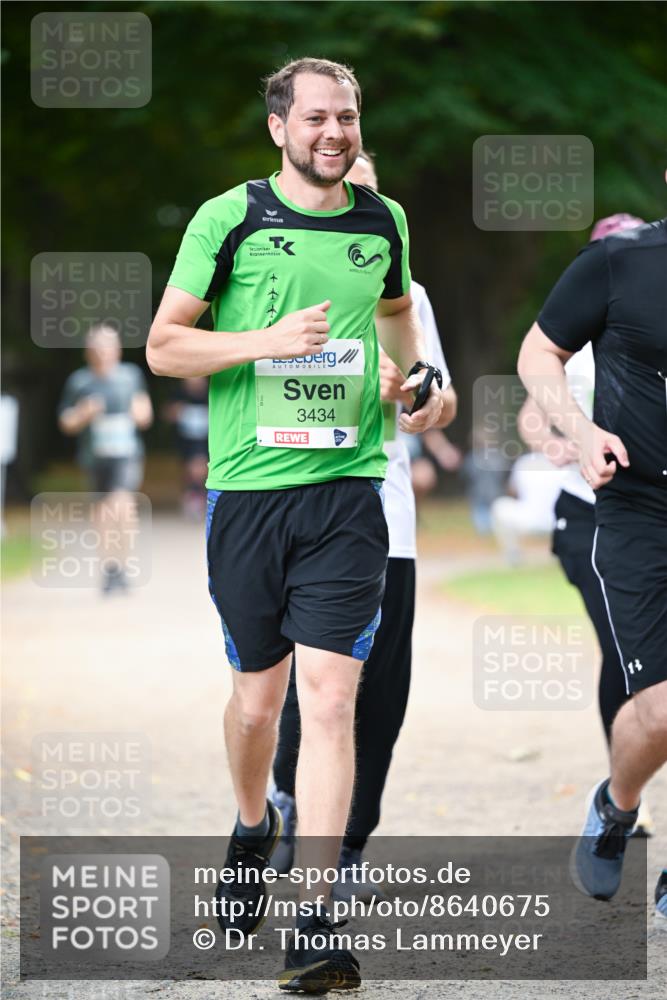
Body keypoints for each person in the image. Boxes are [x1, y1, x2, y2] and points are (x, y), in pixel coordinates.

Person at [146, 58, 444, 992]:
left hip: (348, 495)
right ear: (279, 127)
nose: (334, 132)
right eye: (316, 117)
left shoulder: (382, 221)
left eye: (346, 117)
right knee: (257, 703)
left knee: (328, 700)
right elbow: (164, 346)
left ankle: (312, 920)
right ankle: (249, 822)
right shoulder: (226, 219)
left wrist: (422, 387)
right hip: (248, 495)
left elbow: (398, 323)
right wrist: (264, 343)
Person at [269, 151, 457, 898]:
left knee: (377, 694)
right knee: (305, 685)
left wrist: (410, 397)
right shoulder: (272, 282)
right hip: (294, 509)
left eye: (365, 194)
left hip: (386, 520)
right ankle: (287, 800)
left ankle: (347, 842)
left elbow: (435, 402)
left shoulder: (407, 295)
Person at [517, 210, 666, 918]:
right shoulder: (618, 262)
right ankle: (615, 805)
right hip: (642, 510)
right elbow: (536, 353)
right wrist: (578, 432)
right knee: (662, 710)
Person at [58, 324, 153, 594]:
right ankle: (110, 568)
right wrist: (83, 414)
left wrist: (140, 412)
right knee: (102, 513)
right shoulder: (80, 381)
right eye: (98, 346)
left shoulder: (130, 376)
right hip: (95, 456)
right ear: (89, 351)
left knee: (122, 505)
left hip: (127, 454)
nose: (104, 352)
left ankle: (122, 564)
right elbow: (66, 422)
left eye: (108, 345)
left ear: (118, 349)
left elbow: (145, 414)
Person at [489, 450, 563, 565]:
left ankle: (513, 555)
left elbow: (513, 490)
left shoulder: (524, 461)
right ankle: (562, 551)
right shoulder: (563, 459)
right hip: (560, 520)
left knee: (499, 506)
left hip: (530, 519)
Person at [163, 376, 209, 518]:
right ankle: (191, 494)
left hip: (206, 440)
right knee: (189, 469)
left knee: (199, 467)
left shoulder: (211, 393)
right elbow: (167, 414)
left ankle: (198, 494)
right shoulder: (178, 394)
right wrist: (176, 411)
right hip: (185, 440)